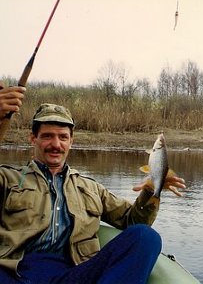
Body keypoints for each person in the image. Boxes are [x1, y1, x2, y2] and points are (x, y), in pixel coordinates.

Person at [0, 83, 186, 284]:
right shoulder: (7, 178)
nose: (56, 144)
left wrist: (151, 191)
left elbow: (133, 221)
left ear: (71, 142)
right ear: (32, 139)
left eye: (63, 137)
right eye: (47, 136)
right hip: (14, 274)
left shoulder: (91, 188)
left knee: (146, 237)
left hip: (75, 275)